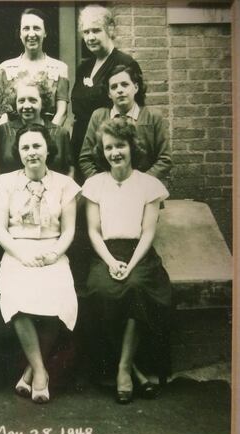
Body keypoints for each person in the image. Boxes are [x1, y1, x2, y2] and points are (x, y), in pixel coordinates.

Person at [82, 118, 172, 404]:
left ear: (132, 147)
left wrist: (130, 265)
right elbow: (94, 232)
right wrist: (110, 262)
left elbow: (148, 233)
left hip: (139, 255)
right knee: (100, 291)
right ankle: (135, 372)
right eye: (108, 147)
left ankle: (123, 368)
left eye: (120, 145)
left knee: (136, 289)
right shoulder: (95, 184)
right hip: (106, 254)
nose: (115, 153)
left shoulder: (149, 185)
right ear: (102, 151)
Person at [0, 123, 80, 404]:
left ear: (47, 149)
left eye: (37, 146)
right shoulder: (5, 183)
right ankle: (41, 373)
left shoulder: (65, 185)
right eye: (25, 147)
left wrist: (54, 254)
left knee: (59, 298)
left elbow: (68, 230)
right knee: (16, 297)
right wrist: (21, 254)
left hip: (52, 251)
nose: (32, 152)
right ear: (18, 153)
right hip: (17, 251)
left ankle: (30, 371)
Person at [70, 5, 141, 181]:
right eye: (86, 32)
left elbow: (136, 113)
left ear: (109, 30)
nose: (90, 37)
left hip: (109, 149)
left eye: (96, 31)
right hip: (82, 148)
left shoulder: (125, 63)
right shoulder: (84, 67)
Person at [78, 65, 172, 183]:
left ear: (136, 87)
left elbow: (165, 159)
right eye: (114, 87)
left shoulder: (152, 117)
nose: (120, 90)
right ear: (109, 94)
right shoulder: (98, 116)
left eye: (125, 84)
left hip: (144, 187)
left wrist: (140, 182)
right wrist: (103, 183)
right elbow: (86, 159)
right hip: (108, 189)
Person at [0, 8, 69, 126]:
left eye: (36, 28)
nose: (31, 34)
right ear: (20, 33)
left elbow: (61, 112)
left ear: (45, 32)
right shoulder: (5, 68)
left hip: (48, 136)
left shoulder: (59, 68)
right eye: (26, 28)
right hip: (14, 137)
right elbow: (3, 113)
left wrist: (46, 139)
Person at [0, 76, 73, 176]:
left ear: (43, 102)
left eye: (33, 100)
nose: (27, 106)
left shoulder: (60, 133)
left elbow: (69, 170)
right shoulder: (3, 132)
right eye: (21, 101)